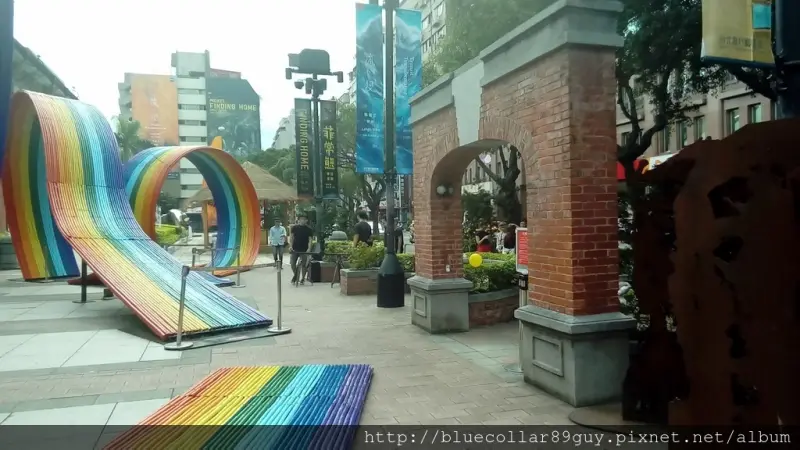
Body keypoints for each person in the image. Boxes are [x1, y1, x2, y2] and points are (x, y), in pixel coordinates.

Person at [289, 214, 314, 284]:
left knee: (304, 265)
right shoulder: (294, 228)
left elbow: (310, 240)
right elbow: (291, 238)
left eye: (304, 219)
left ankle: (302, 278)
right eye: (301, 219)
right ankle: (296, 275)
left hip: (304, 249)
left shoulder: (309, 229)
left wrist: (309, 248)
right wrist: (290, 246)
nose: (302, 220)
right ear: (298, 220)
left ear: (306, 220)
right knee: (292, 263)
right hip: (295, 248)